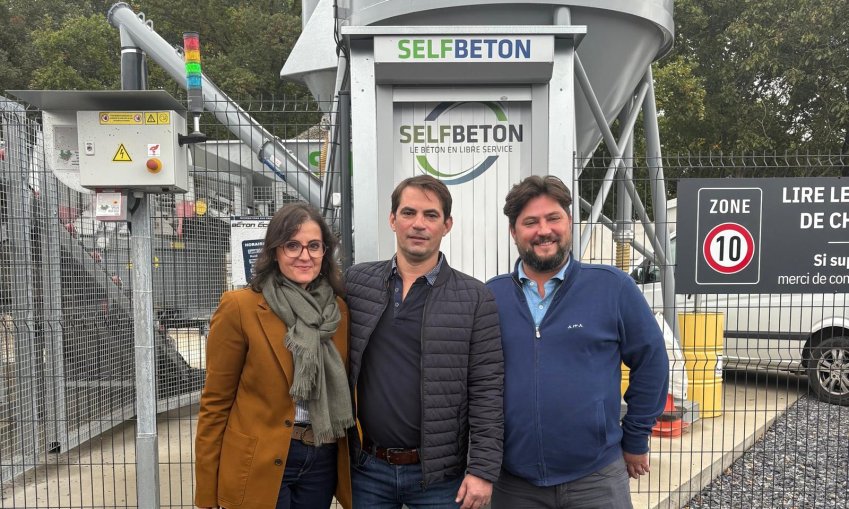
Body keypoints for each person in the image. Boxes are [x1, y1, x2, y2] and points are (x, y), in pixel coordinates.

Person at [486, 175, 669, 509]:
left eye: (553, 218)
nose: (544, 230)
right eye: (530, 222)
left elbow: (652, 361)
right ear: (514, 232)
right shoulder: (491, 296)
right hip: (514, 482)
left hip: (596, 477)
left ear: (568, 222)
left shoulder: (612, 287)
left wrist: (637, 435)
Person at [344, 175, 504, 509]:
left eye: (430, 215)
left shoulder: (475, 298)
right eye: (408, 213)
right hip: (367, 469)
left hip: (441, 479)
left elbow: (488, 390)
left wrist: (482, 470)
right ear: (392, 220)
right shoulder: (356, 284)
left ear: (447, 225)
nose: (419, 224)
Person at [195, 203, 354, 509]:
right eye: (292, 245)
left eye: (313, 246)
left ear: (325, 252)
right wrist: (206, 490)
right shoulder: (240, 307)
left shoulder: (339, 312)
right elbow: (215, 402)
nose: (304, 255)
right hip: (259, 459)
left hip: (322, 457)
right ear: (275, 251)